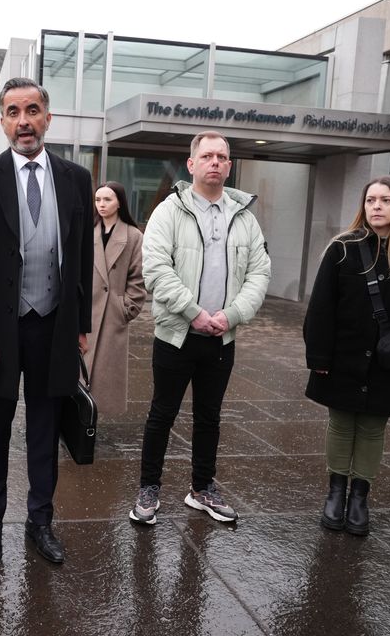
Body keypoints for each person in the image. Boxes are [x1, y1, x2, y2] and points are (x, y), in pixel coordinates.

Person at [0, 77, 94, 565]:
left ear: (48, 118)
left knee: (44, 430)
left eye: (32, 110)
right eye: (13, 112)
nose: (24, 121)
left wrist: (82, 326)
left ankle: (40, 520)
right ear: (2, 121)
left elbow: (81, 257)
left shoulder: (76, 178)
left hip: (53, 324)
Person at [129, 130, 270, 526]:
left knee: (210, 416)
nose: (214, 162)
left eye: (221, 157)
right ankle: (148, 489)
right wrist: (193, 312)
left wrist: (233, 315)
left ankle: (202, 488)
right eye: (206, 156)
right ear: (191, 165)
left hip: (221, 337)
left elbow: (260, 272)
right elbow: (156, 269)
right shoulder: (168, 211)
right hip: (176, 335)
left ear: (229, 165)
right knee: (162, 414)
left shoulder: (243, 217)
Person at [304, 175, 390, 535]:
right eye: (370, 200)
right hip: (342, 357)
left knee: (371, 428)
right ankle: (335, 492)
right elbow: (321, 307)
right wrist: (319, 356)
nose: (376, 207)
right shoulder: (343, 248)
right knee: (341, 422)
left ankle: (359, 497)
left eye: (385, 200)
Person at [85, 181, 147, 416]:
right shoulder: (86, 231)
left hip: (112, 316)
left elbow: (138, 278)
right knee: (79, 374)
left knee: (104, 378)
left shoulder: (133, 236)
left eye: (107, 199)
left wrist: (125, 308)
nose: (101, 204)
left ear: (119, 202)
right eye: (98, 199)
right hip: (86, 313)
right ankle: (79, 421)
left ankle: (92, 422)